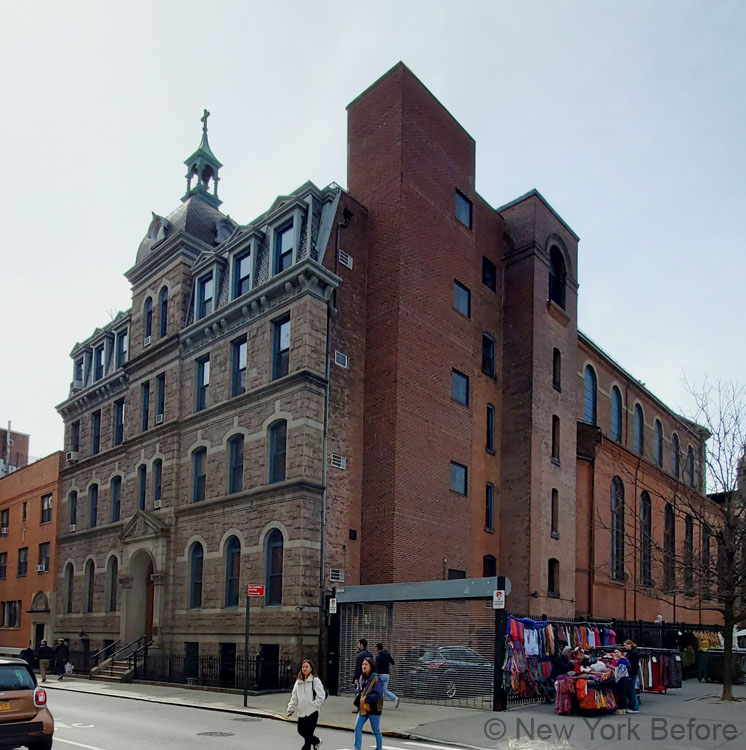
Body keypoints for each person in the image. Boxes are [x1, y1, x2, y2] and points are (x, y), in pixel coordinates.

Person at [287, 659, 325, 750]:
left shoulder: (315, 681)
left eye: (307, 667)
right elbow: (294, 697)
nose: (304, 668)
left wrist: (314, 705)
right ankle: (316, 741)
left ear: (311, 668)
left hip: (312, 712)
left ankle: (309, 746)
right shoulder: (298, 682)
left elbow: (321, 695)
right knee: (301, 731)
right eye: (303, 667)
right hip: (302, 712)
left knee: (308, 738)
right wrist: (291, 708)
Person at [353, 658, 383, 750]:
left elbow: (378, 694)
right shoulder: (362, 677)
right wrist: (358, 695)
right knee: (357, 727)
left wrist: (366, 699)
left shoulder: (376, 678)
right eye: (363, 664)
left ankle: (379, 748)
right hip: (363, 707)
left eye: (366, 664)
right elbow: (359, 689)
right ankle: (357, 748)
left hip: (374, 707)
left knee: (376, 730)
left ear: (371, 666)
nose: (364, 666)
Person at [375, 642, 399, 708]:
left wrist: (375, 674)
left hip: (380, 674)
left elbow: (377, 666)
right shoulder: (388, 655)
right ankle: (395, 698)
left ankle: (379, 704)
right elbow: (393, 662)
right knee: (384, 690)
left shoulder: (378, 657)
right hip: (387, 674)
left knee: (379, 690)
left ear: (377, 648)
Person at [352, 638, 372, 712]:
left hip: (361, 676)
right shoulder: (370, 654)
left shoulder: (360, 655)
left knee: (358, 692)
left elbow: (358, 668)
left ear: (362, 645)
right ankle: (365, 706)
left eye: (358, 644)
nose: (357, 645)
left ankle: (359, 708)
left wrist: (356, 678)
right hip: (368, 676)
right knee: (365, 691)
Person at [623, 639, 640, 713]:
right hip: (632, 673)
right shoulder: (633, 652)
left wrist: (630, 675)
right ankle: (633, 706)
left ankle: (634, 707)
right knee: (632, 690)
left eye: (626, 645)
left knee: (632, 690)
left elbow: (632, 666)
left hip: (632, 674)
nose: (625, 647)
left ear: (630, 644)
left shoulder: (633, 653)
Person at [613, 647, 631, 714]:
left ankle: (622, 708)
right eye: (615, 652)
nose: (616, 654)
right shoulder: (621, 660)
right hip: (623, 678)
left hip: (622, 679)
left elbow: (621, 672)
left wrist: (617, 679)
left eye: (617, 652)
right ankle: (623, 708)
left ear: (621, 653)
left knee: (621, 694)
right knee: (621, 693)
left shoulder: (622, 660)